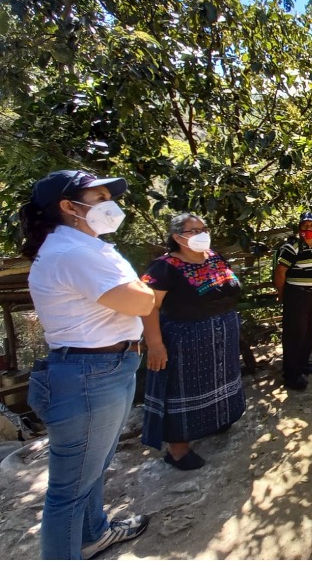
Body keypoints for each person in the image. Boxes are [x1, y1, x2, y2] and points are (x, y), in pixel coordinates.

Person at [21, 170, 153, 559]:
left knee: (91, 469)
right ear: (68, 206)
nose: (109, 206)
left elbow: (137, 293)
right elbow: (142, 302)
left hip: (103, 368)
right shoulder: (73, 252)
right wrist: (144, 290)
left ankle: (94, 533)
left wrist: (140, 288)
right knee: (69, 490)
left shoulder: (84, 246)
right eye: (98, 199)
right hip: (88, 375)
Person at [140, 213, 246, 470]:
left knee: (220, 378)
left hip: (222, 336)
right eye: (193, 230)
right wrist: (155, 344)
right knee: (183, 388)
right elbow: (147, 306)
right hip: (185, 340)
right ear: (177, 238)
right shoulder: (163, 268)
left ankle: (219, 419)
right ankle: (177, 449)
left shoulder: (215, 257)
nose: (202, 234)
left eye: (204, 229)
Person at [274, 212, 312, 390]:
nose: (308, 229)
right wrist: (283, 294)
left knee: (310, 330)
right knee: (295, 334)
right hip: (297, 295)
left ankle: (302, 364)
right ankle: (291, 375)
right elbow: (280, 272)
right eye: (305, 225)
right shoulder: (292, 246)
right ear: (299, 227)